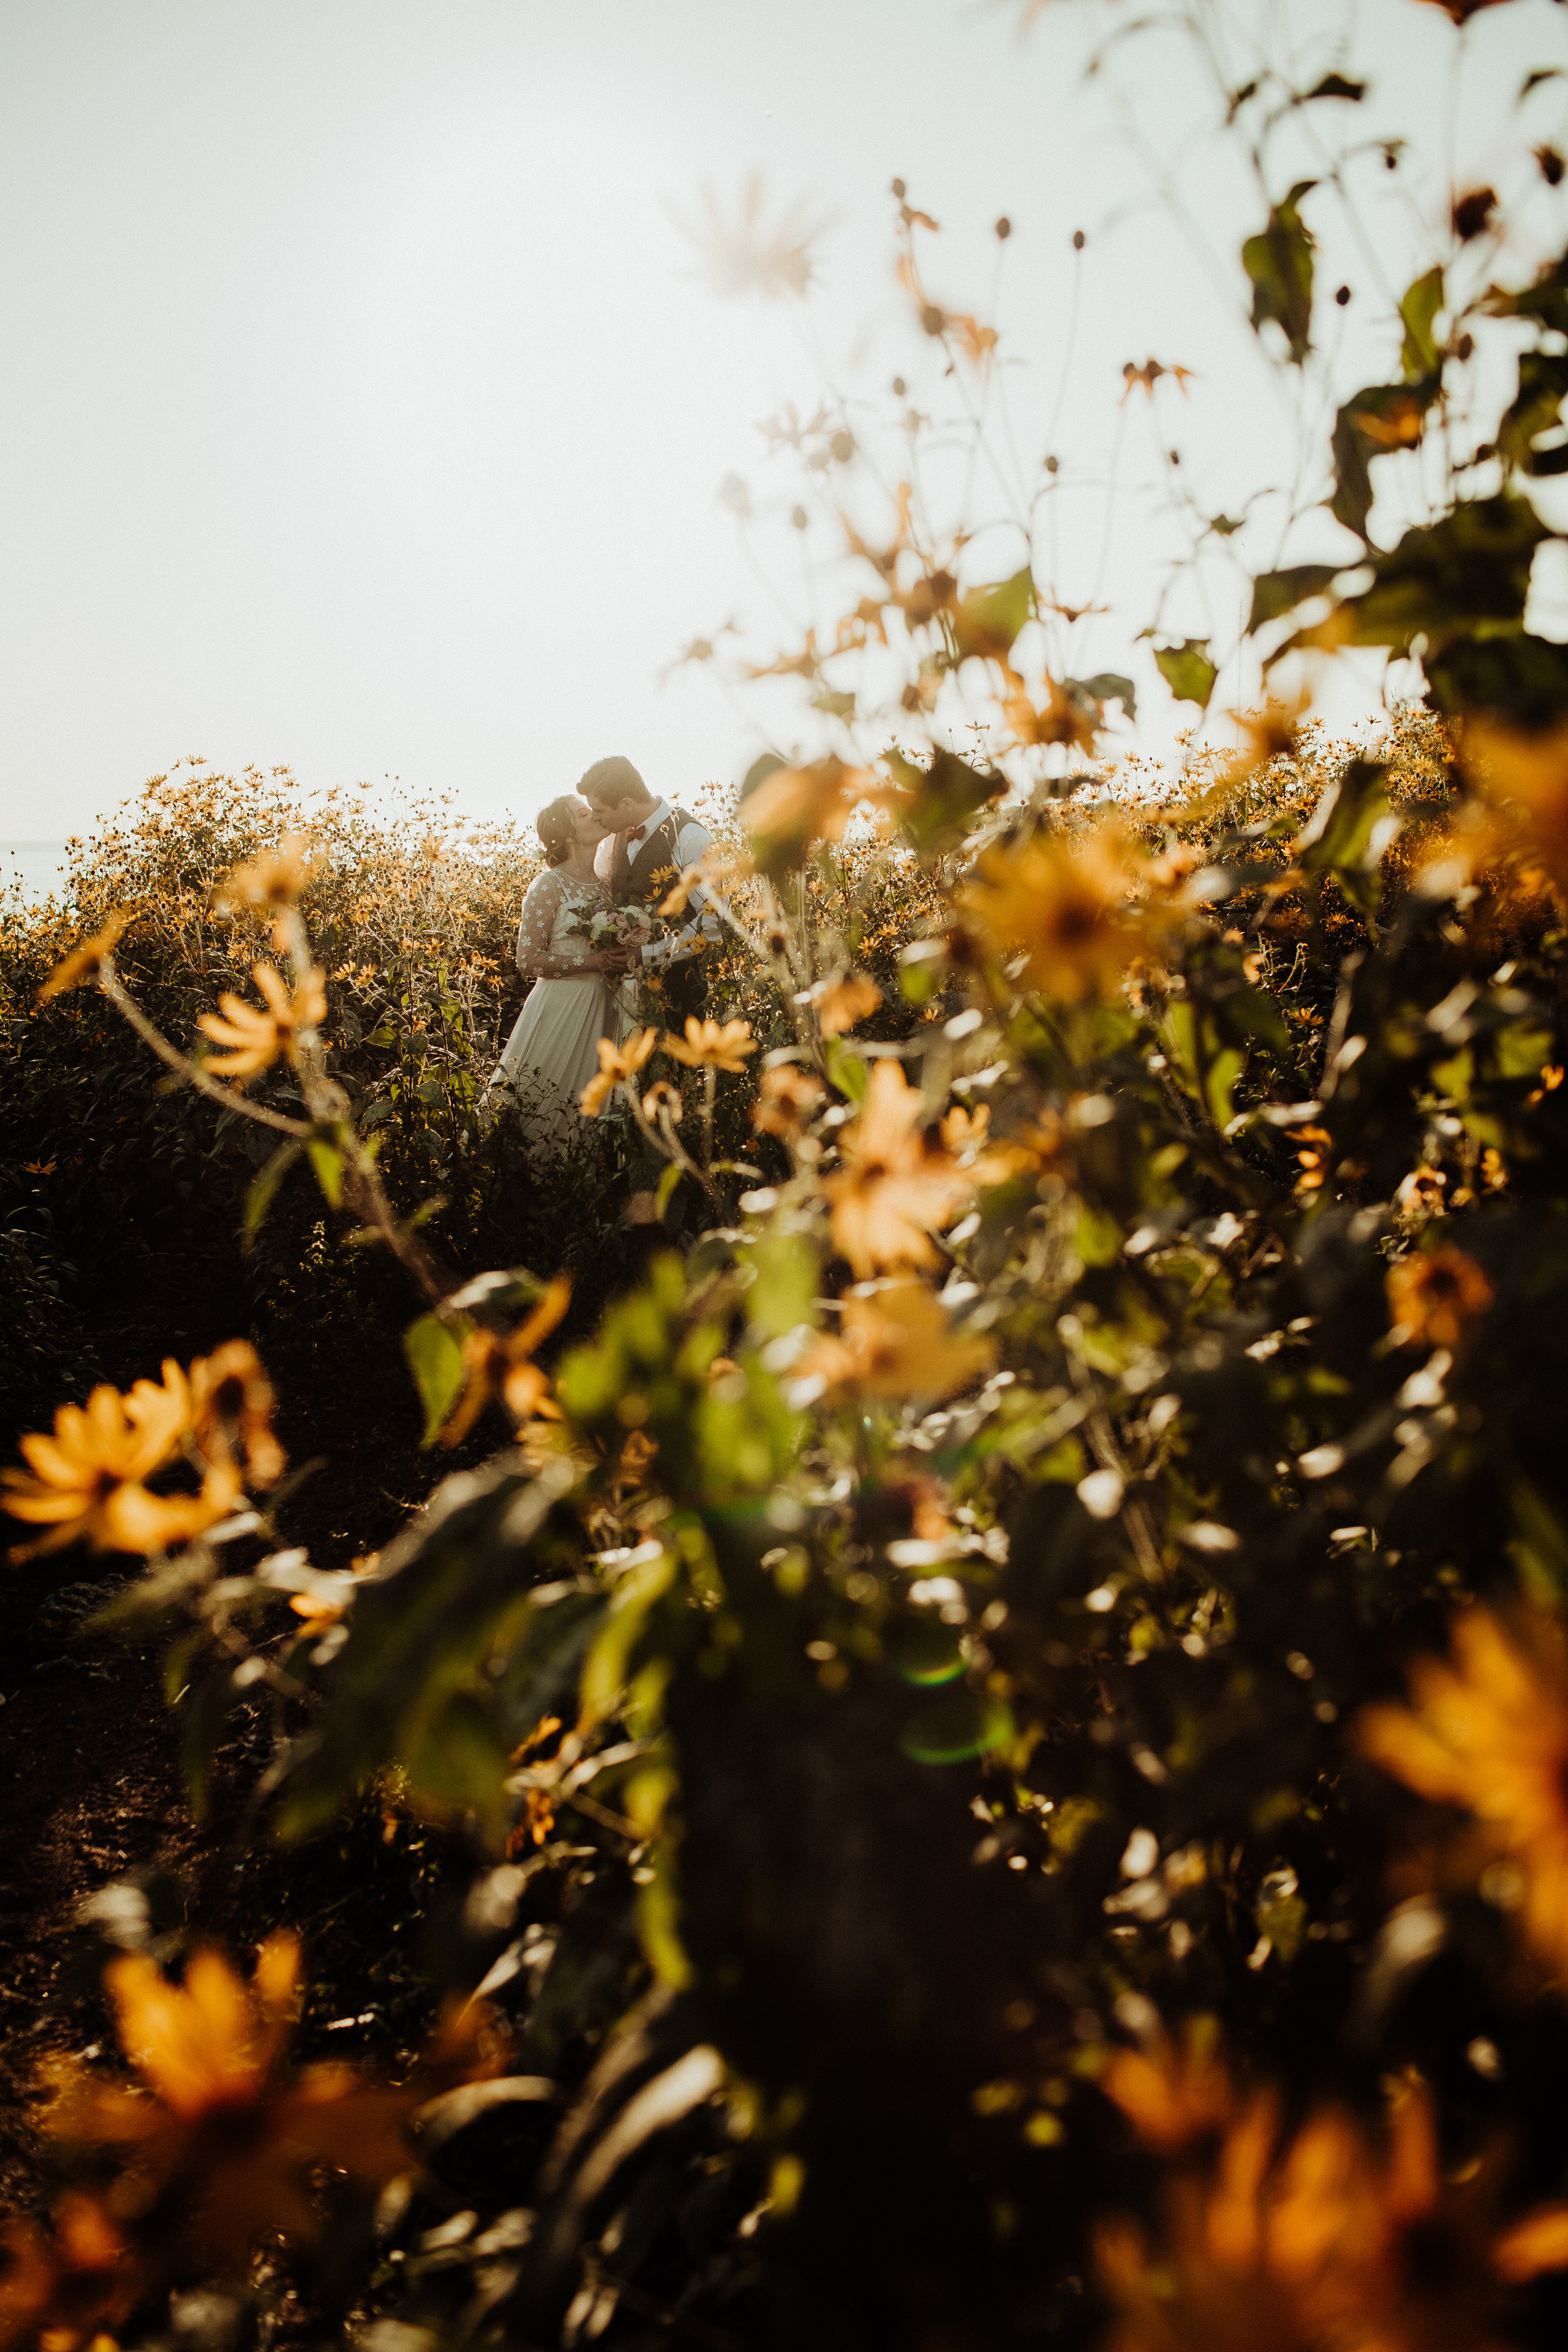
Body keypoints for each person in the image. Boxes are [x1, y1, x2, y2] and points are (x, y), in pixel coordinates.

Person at [482, 795, 636, 1145]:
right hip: (560, 1007)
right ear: (567, 835)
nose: (596, 814)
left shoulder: (608, 885)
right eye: (584, 813)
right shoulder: (549, 885)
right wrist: (594, 962)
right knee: (543, 1101)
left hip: (604, 1006)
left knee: (587, 1108)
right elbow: (528, 960)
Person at [578, 756, 720, 1023]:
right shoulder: (613, 837)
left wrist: (646, 954)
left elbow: (713, 923)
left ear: (626, 804)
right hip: (622, 993)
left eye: (599, 810)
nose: (595, 817)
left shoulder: (691, 838)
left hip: (680, 992)